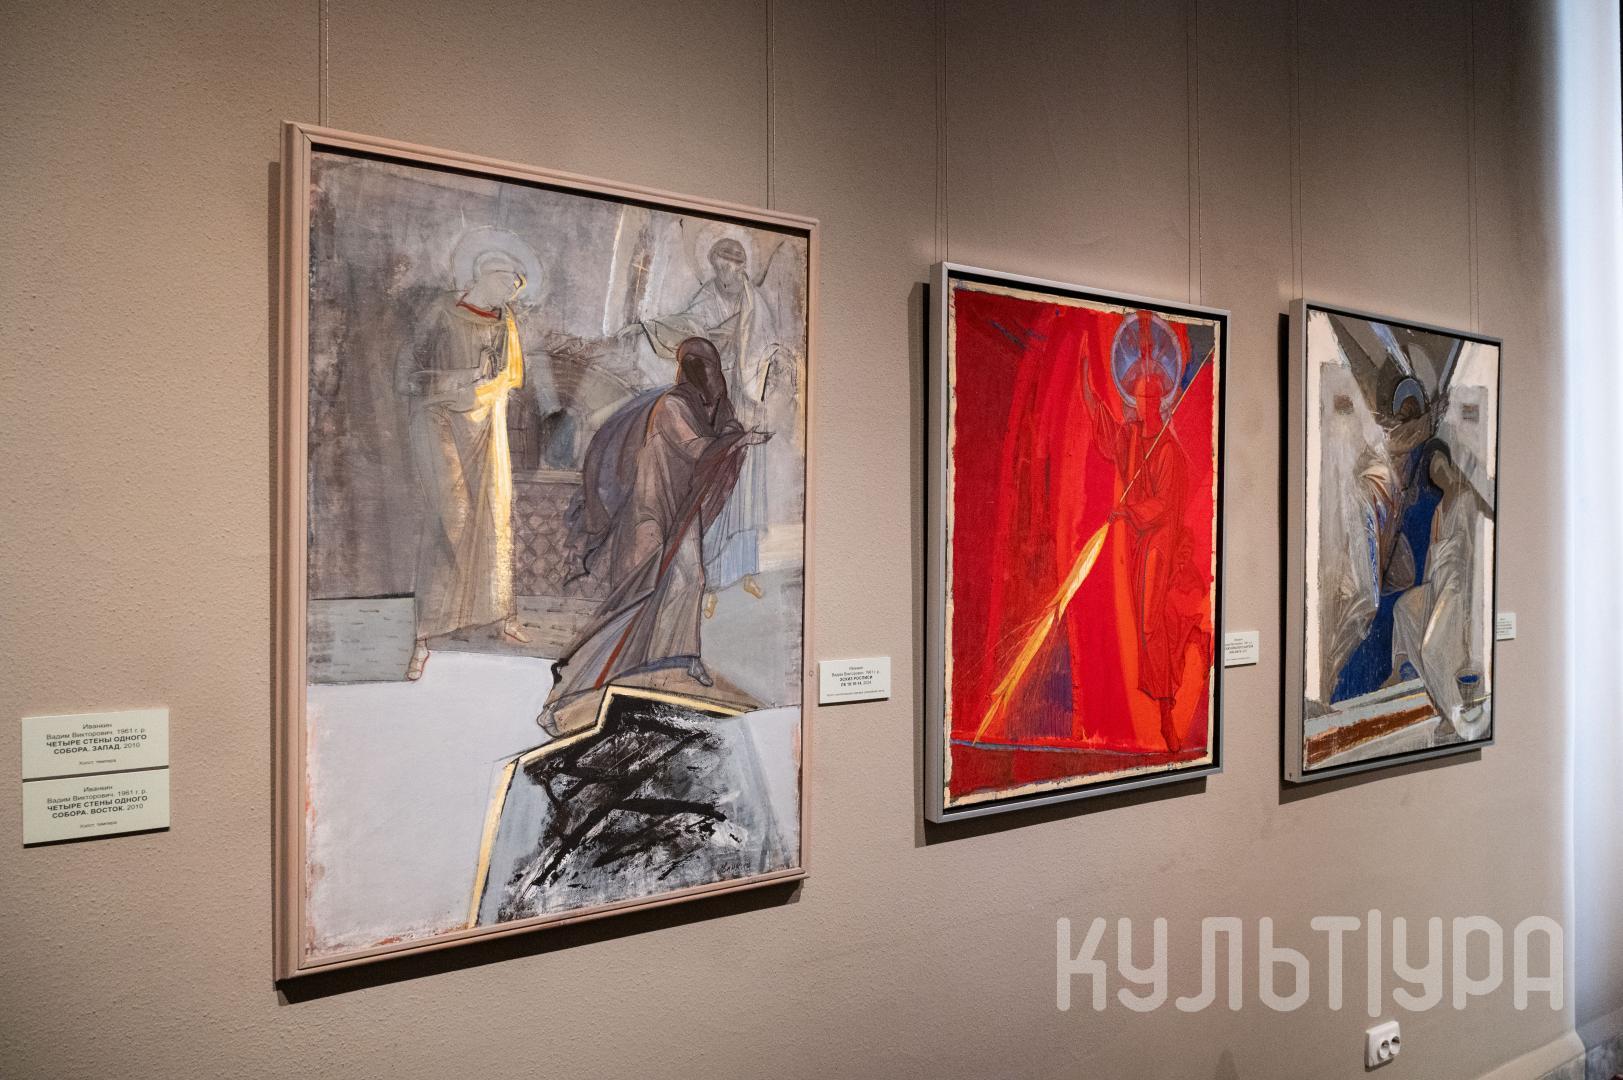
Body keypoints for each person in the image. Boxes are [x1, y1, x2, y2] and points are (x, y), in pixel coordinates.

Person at [538, 338, 769, 735]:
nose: (705, 375)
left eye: (709, 366)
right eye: (697, 366)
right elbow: (697, 448)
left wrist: (737, 435)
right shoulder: (673, 405)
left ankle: (679, 656)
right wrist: (739, 441)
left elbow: (723, 432)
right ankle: (584, 677)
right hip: (650, 510)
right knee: (642, 588)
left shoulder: (711, 406)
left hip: (681, 509)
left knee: (690, 579)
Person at [631, 237, 787, 614]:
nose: (726, 270)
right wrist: (649, 327)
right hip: (715, 393)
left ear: (743, 266)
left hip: (746, 398)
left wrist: (766, 369)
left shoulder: (754, 302)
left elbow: (767, 345)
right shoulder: (706, 297)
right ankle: (712, 576)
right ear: (713, 264)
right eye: (720, 263)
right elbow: (686, 329)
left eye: (733, 264)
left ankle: (744, 570)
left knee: (746, 489)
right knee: (716, 480)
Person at [400, 253, 533, 681]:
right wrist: (465, 377)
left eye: (515, 289)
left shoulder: (505, 321)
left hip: (486, 421)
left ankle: (499, 614)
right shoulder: (440, 312)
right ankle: (423, 634)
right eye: (506, 283)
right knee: (451, 515)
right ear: (483, 275)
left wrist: (487, 384)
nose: (510, 294)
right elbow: (408, 374)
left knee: (495, 512)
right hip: (437, 417)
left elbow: (510, 376)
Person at [1390, 439, 1491, 738]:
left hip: (1455, 586)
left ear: (1449, 462)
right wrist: (1426, 589)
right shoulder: (1437, 509)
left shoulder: (1466, 498)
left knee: (1432, 648)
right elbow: (1432, 556)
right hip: (1436, 582)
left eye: (1439, 464)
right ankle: (1401, 669)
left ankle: (1453, 713)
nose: (1436, 473)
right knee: (1403, 607)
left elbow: (1473, 551)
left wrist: (1472, 598)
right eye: (1431, 470)